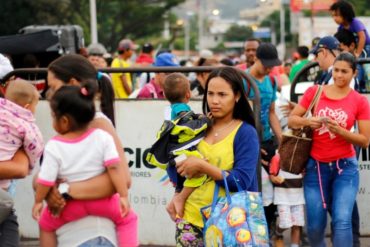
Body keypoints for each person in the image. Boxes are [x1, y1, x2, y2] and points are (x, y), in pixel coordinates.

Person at [44, 54, 135, 246]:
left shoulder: (97, 124)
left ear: (73, 83)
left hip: (91, 234)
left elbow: (123, 178)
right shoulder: (72, 127)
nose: (49, 94)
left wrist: (64, 190)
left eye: (53, 87)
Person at [288, 52, 370, 247]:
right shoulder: (315, 92)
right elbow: (292, 120)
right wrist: (309, 121)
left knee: (342, 221)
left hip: (345, 168)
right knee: (315, 226)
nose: (339, 75)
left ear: (354, 73)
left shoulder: (359, 101)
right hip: (315, 167)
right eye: (336, 70)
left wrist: (340, 131)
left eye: (345, 71)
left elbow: (365, 141)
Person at [174, 66, 259, 246]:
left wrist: (204, 167)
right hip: (190, 220)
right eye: (210, 93)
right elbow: (181, 166)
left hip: (230, 223)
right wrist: (177, 195)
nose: (214, 100)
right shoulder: (198, 126)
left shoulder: (245, 133)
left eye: (222, 94)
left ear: (237, 96)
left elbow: (241, 181)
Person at [146, 73, 210, 221]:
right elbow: (187, 128)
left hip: (171, 157)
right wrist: (204, 121)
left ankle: (173, 205)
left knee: (179, 186)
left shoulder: (169, 110)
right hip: (180, 155)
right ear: (188, 95)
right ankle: (181, 199)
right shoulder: (183, 109)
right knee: (201, 168)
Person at [245, 42, 283, 243]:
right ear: (255, 59)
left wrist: (282, 140)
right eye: (266, 64)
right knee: (254, 192)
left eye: (272, 64)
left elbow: (271, 113)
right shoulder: (243, 80)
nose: (269, 68)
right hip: (247, 143)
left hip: (267, 142)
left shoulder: (272, 80)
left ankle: (266, 234)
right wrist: (250, 146)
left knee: (271, 194)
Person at [0, 79, 43, 228]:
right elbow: (36, 146)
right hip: (4, 180)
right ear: (27, 107)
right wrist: (31, 165)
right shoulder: (25, 124)